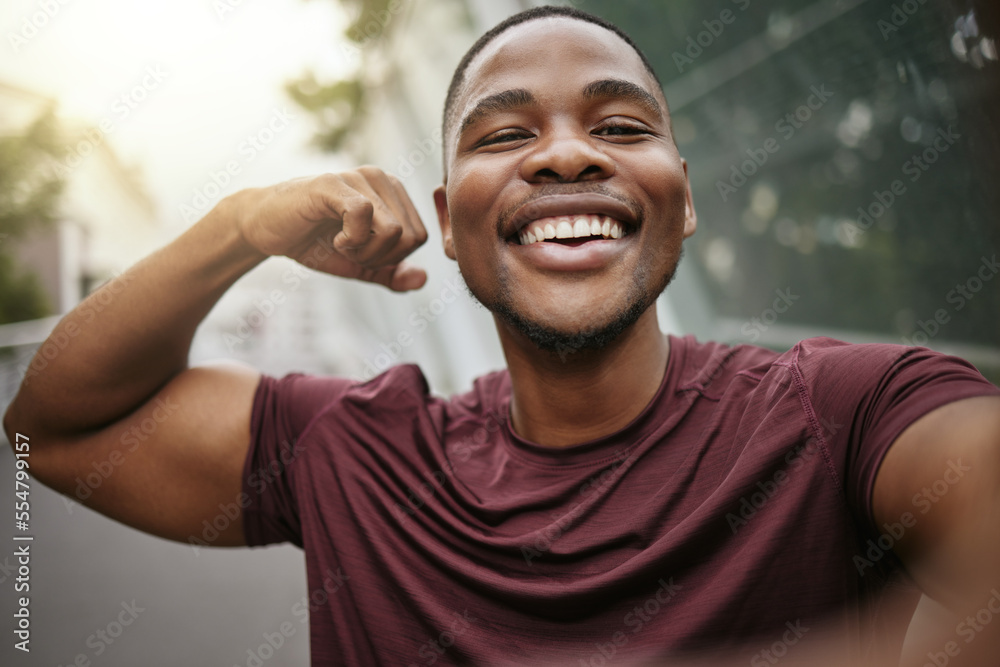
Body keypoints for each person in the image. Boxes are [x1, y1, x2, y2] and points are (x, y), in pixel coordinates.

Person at [4, 6, 1000, 666]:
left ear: (683, 199)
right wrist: (237, 225)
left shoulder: (843, 410)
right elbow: (51, 428)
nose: (567, 152)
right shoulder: (359, 453)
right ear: (447, 217)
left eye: (618, 127)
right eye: (505, 134)